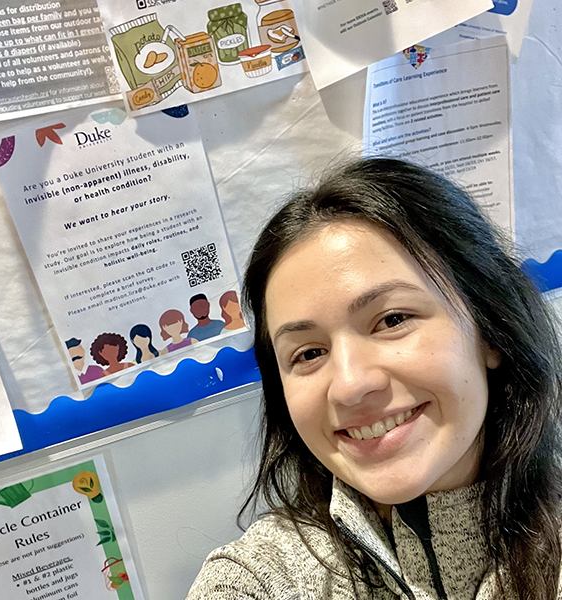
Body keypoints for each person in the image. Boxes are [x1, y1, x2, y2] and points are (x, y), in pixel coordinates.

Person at [187, 158, 562, 600]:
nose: (349, 384)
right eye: (308, 353)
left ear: (490, 331)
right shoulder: (257, 583)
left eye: (392, 319)